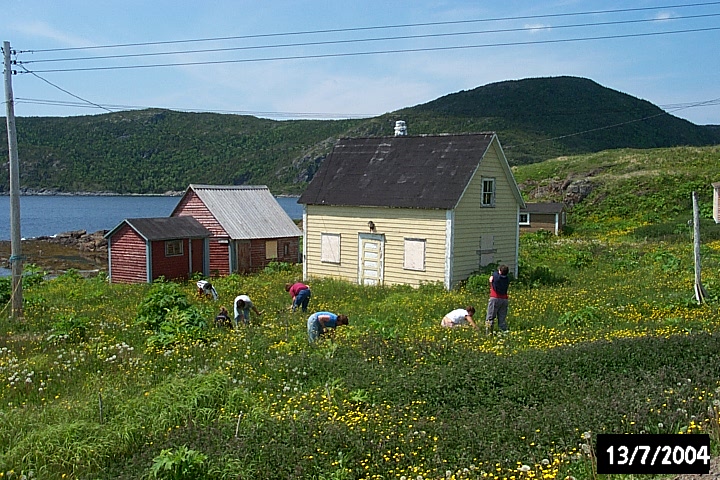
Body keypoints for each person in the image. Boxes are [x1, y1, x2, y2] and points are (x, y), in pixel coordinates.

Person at [486, 265, 510, 334]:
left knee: (490, 317)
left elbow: (494, 274)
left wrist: (491, 281)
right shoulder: (507, 279)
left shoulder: (497, 277)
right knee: (502, 318)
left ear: (500, 271)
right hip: (504, 299)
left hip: (495, 298)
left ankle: (488, 333)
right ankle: (503, 332)